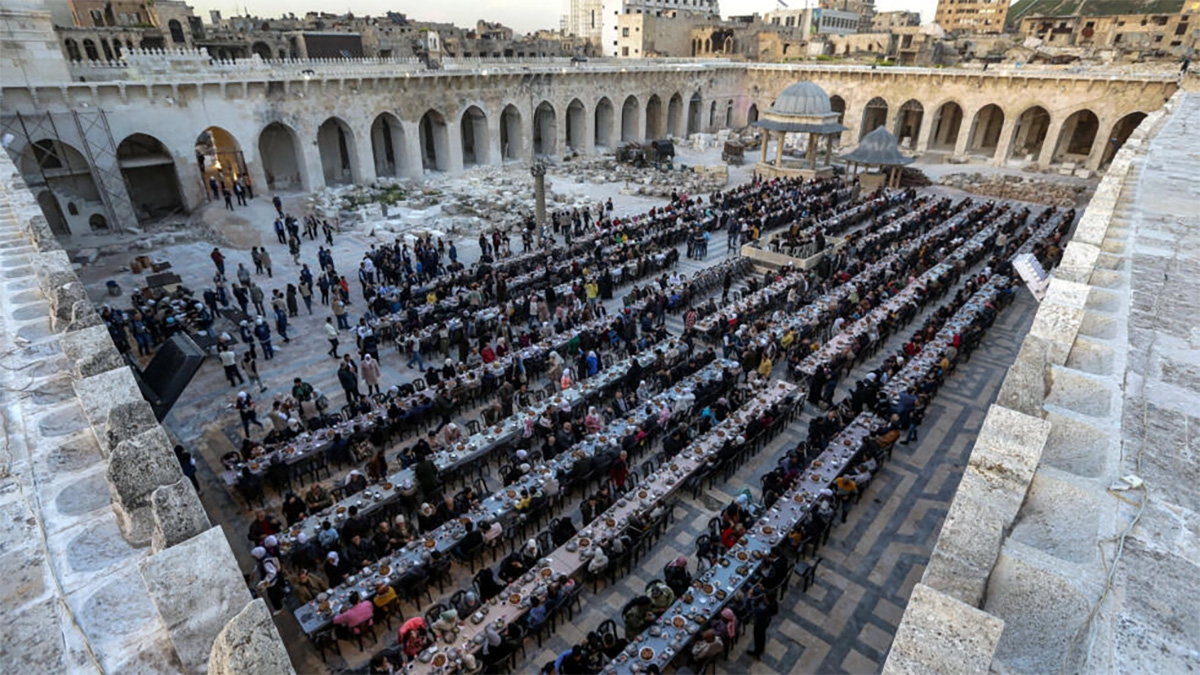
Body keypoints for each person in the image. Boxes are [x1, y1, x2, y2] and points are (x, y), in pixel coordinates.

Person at [251, 546, 285, 615]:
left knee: (272, 596)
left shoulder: (266, 562)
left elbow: (272, 573)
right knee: (277, 591)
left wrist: (266, 581)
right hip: (275, 580)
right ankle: (282, 597)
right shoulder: (266, 557)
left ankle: (278, 607)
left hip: (271, 582)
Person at [746, 586, 778, 658]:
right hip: (766, 621)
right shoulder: (773, 603)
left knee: (758, 637)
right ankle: (761, 648)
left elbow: (751, 611)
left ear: (766, 598)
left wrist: (749, 598)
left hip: (759, 624)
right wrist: (763, 589)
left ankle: (757, 652)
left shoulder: (761, 609)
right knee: (762, 635)